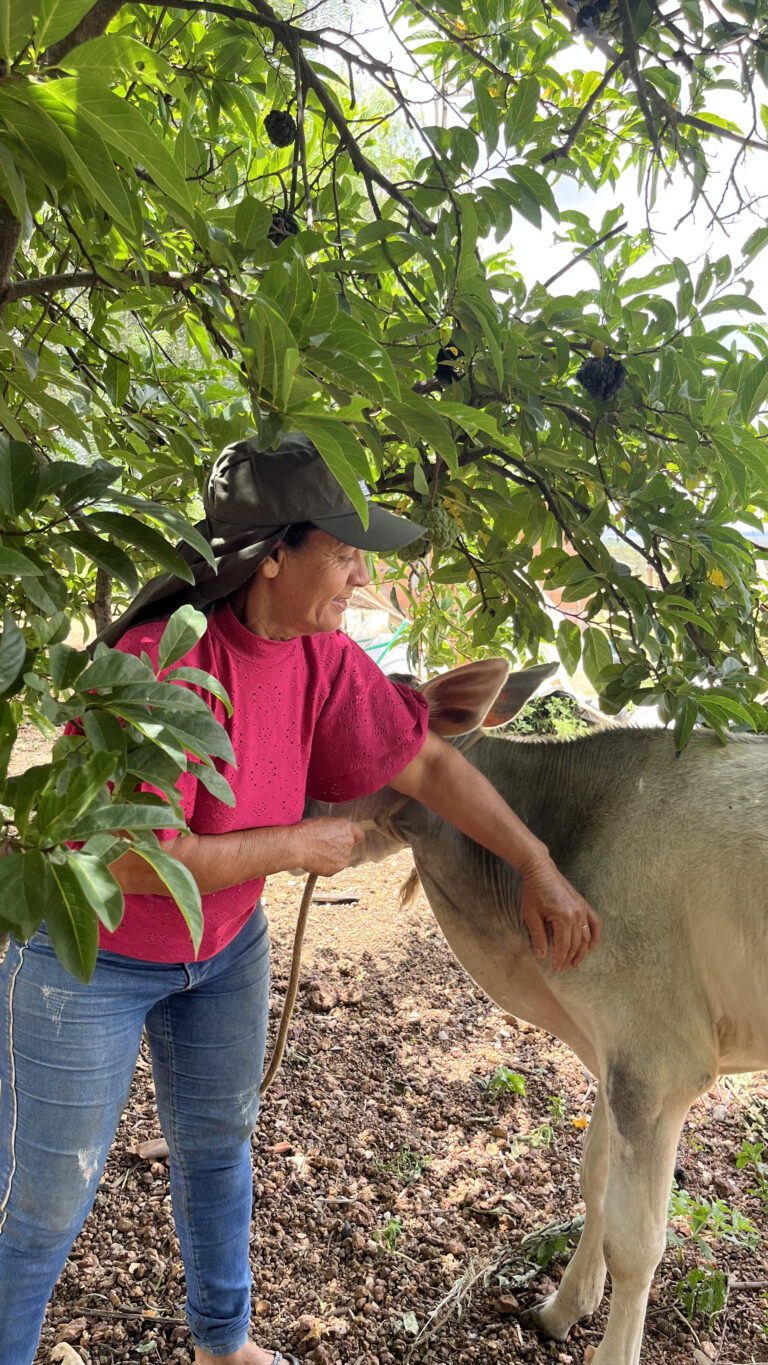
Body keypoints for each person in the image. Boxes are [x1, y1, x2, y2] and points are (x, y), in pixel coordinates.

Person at [0, 434, 600, 1365]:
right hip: (92, 956)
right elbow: (130, 858)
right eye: (345, 551)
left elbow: (429, 757)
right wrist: (293, 845)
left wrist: (537, 861)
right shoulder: (161, 660)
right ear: (272, 552)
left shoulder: (318, 654)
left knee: (216, 1145)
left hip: (222, 946)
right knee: (44, 1200)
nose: (359, 578)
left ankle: (222, 1343)